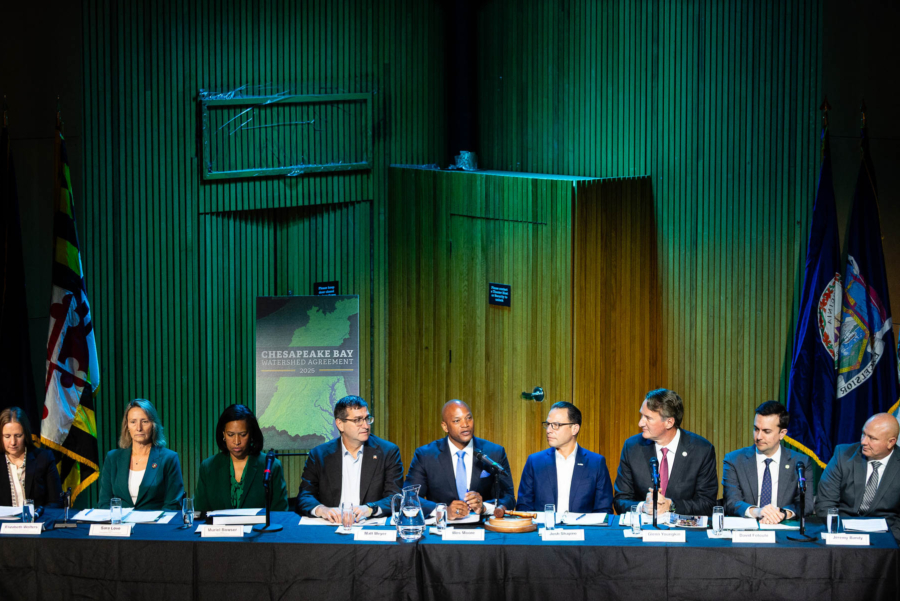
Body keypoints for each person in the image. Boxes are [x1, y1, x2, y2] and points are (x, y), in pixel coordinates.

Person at [297, 395, 403, 522]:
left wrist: (370, 509)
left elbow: (395, 497)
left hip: (370, 527)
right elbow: (305, 496)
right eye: (358, 420)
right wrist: (322, 510)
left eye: (367, 419)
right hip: (330, 526)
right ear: (340, 424)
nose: (366, 426)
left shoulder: (388, 452)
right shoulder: (319, 455)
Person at [613, 388, 717, 516]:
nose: (640, 423)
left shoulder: (702, 450)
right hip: (644, 531)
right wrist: (643, 507)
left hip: (684, 532)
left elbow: (707, 504)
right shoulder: (632, 447)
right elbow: (620, 500)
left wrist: (671, 505)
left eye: (648, 418)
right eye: (641, 415)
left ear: (669, 422)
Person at [405, 400, 515, 519]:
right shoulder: (425, 455)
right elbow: (410, 497)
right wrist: (444, 511)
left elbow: (508, 497)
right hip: (442, 529)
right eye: (457, 421)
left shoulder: (494, 452)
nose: (465, 424)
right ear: (445, 426)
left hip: (484, 529)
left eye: (469, 418)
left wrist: (484, 507)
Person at [722, 401, 812, 523]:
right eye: (756, 429)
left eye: (766, 431)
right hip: (747, 533)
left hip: (784, 533)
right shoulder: (734, 460)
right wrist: (758, 512)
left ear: (782, 434)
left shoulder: (800, 462)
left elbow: (806, 504)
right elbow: (731, 502)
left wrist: (782, 514)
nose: (758, 437)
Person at [516, 401, 613, 514]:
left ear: (574, 429)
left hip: (583, 530)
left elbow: (604, 510)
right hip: (543, 530)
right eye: (548, 424)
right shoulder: (534, 462)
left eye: (556, 425)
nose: (548, 430)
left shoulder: (596, 463)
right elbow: (524, 507)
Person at [816, 413, 900, 540]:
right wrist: (840, 533)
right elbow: (825, 504)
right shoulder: (843, 455)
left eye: (872, 438)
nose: (863, 442)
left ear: (891, 442)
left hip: (888, 538)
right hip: (843, 534)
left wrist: (892, 539)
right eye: (863, 434)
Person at [195, 404, 288, 512]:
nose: (236, 441)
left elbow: (280, 515)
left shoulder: (271, 466)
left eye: (243, 435)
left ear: (251, 434)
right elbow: (200, 513)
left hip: (257, 529)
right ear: (223, 434)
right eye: (230, 435)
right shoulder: (208, 467)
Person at [98, 399, 185, 511]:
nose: (138, 428)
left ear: (153, 425)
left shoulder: (168, 458)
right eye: (133, 422)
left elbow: (172, 505)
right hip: (120, 525)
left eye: (144, 421)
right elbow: (104, 502)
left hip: (154, 526)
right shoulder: (113, 458)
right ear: (127, 426)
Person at [0, 407, 63, 508]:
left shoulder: (44, 458)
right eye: (7, 436)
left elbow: (56, 502)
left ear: (26, 434)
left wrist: (36, 517)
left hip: (38, 522)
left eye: (18, 435)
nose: (13, 442)